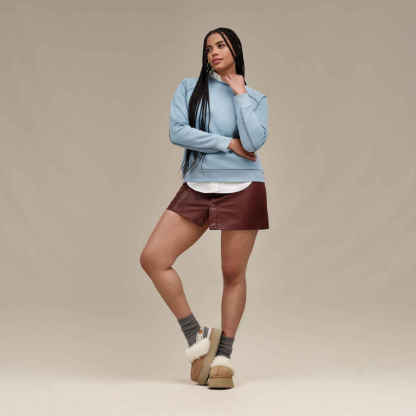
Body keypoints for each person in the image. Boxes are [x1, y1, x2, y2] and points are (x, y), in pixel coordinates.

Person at [139, 27, 269, 389]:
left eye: (221, 45)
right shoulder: (189, 89)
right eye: (208, 47)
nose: (213, 52)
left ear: (235, 49)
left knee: (232, 273)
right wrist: (227, 143)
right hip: (198, 185)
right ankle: (196, 336)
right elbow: (178, 132)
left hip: (244, 188)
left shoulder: (255, 97)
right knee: (153, 258)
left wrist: (240, 94)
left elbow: (254, 142)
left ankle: (224, 356)